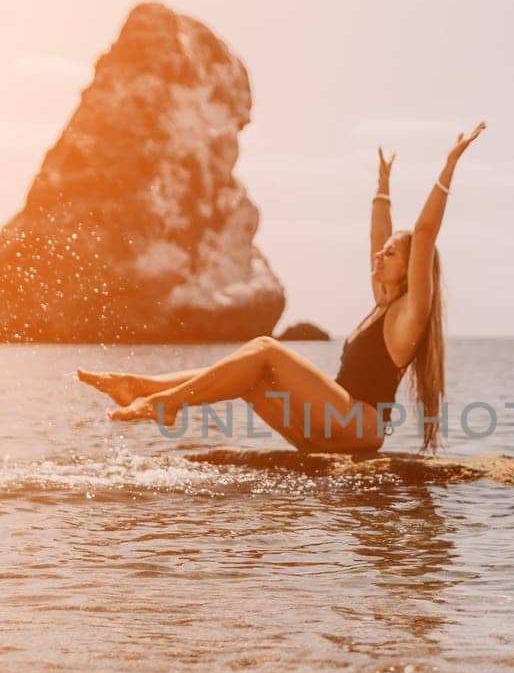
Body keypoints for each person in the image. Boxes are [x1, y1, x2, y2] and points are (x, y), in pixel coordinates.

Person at [77, 122, 485, 453]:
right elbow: (378, 234)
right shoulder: (382, 304)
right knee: (248, 380)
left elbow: (426, 233)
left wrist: (449, 166)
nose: (379, 255)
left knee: (265, 348)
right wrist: (382, 184)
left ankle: (164, 403)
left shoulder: (410, 315)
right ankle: (140, 386)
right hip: (330, 431)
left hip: (359, 427)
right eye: (382, 251)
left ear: (413, 268)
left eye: (391, 254)